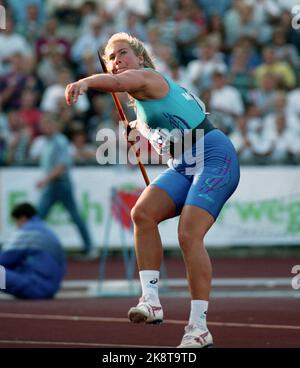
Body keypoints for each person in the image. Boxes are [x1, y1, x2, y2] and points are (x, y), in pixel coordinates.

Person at [65, 32, 240, 348]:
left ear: (140, 58)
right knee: (142, 213)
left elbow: (119, 83)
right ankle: (151, 300)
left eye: (122, 55)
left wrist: (86, 83)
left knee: (188, 234)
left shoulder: (147, 77)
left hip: (213, 155)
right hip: (184, 163)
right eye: (112, 59)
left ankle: (199, 328)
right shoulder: (141, 106)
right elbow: (168, 135)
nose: (117, 63)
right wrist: (136, 133)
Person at [35, 113, 97, 259]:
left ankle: (90, 247)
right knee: (70, 216)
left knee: (39, 217)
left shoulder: (59, 142)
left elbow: (62, 166)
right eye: (43, 125)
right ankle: (90, 247)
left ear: (54, 126)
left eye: (48, 124)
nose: (45, 127)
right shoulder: (49, 142)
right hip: (55, 184)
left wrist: (45, 180)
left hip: (60, 184)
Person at [0, 202, 65, 299]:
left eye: (16, 222)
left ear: (22, 218)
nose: (16, 226)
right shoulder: (46, 230)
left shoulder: (26, 232)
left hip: (36, 287)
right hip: (51, 288)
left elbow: (4, 259)